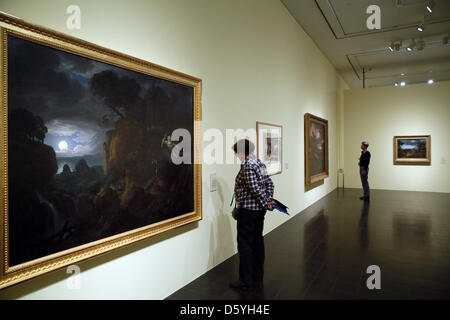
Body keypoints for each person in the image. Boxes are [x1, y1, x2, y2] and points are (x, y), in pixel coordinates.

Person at [230, 139, 275, 291]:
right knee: (257, 240)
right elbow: (269, 183)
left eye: (237, 152)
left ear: (242, 152)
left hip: (248, 212)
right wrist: (268, 201)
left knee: (245, 244)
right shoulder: (259, 163)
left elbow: (254, 188)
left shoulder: (248, 165)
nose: (237, 156)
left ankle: (245, 279)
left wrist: (265, 202)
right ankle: (257, 274)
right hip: (259, 211)